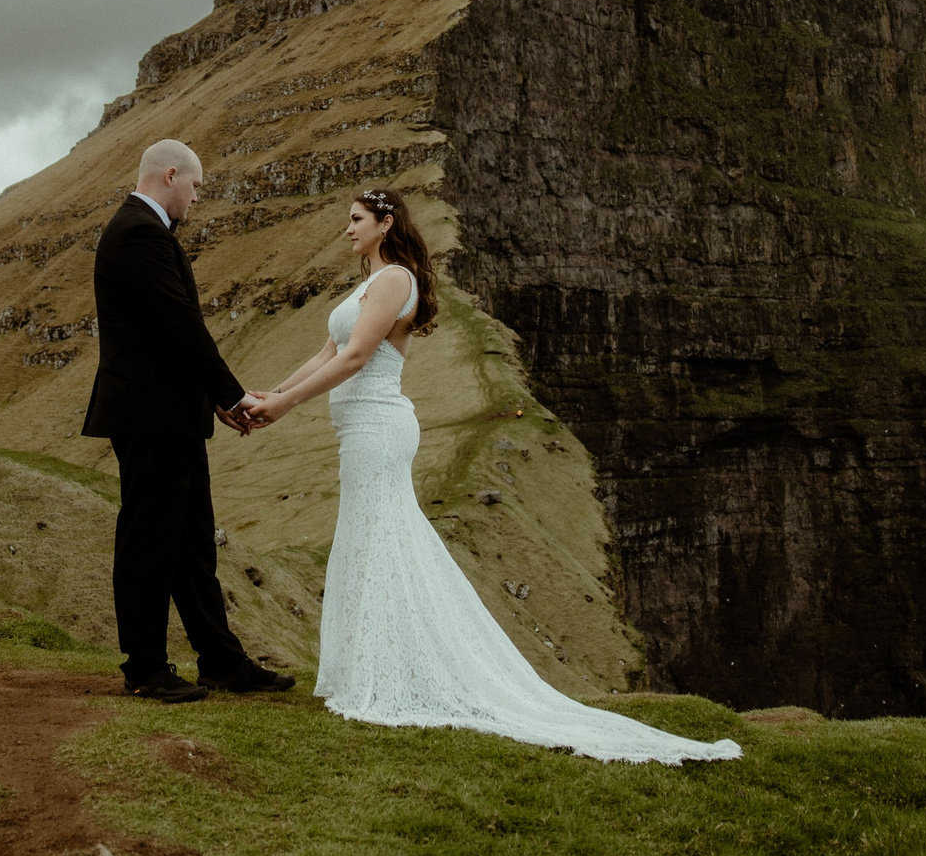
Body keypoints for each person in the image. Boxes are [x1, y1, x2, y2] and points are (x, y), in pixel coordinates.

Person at [238, 188, 742, 764]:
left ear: (385, 222)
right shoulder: (365, 283)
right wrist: (270, 395)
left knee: (382, 539)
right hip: (357, 432)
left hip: (379, 428)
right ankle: (380, 664)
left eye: (356, 220)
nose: (347, 229)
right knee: (370, 540)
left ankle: (405, 671)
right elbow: (328, 350)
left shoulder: (395, 280)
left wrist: (284, 407)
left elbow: (355, 359)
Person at [81, 139, 296, 703]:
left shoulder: (144, 231)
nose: (198, 199)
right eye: (196, 187)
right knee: (150, 541)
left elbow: (171, 332)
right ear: (170, 175)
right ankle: (145, 668)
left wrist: (213, 403)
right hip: (150, 417)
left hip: (170, 416)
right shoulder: (138, 232)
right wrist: (231, 395)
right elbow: (179, 327)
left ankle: (221, 661)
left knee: (192, 544)